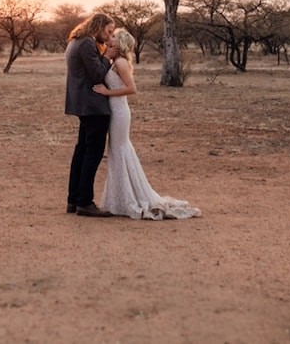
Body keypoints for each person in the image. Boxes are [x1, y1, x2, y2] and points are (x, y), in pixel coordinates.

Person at [94, 29, 201, 220]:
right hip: (114, 111)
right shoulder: (113, 61)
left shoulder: (120, 63)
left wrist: (106, 92)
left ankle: (129, 198)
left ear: (120, 43)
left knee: (120, 150)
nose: (109, 39)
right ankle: (119, 198)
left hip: (120, 112)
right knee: (117, 151)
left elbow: (131, 89)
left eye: (113, 37)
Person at [64, 12, 117, 218]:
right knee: (92, 154)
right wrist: (107, 57)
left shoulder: (76, 41)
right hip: (93, 105)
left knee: (82, 151)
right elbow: (96, 74)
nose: (109, 35)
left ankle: (73, 199)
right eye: (108, 31)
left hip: (83, 104)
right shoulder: (86, 43)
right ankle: (85, 202)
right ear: (99, 26)